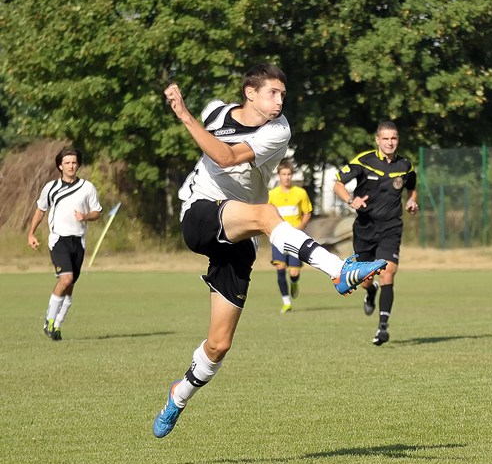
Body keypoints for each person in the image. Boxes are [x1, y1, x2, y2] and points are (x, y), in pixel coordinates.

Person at [153, 64, 387, 438]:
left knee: (219, 345)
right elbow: (217, 157)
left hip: (239, 234)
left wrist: (184, 115)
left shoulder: (278, 130)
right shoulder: (215, 111)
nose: (279, 101)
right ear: (250, 93)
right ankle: (337, 269)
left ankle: (178, 396)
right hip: (199, 213)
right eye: (272, 93)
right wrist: (185, 114)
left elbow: (227, 157)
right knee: (266, 213)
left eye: (283, 94)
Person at [333, 121, 418, 346]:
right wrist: (351, 200)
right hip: (365, 228)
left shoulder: (405, 165)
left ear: (398, 140)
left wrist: (412, 201)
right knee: (365, 280)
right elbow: (338, 184)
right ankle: (370, 292)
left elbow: (412, 187)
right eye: (386, 138)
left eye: (394, 138)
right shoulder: (364, 161)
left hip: (391, 227)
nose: (390, 142)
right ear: (377, 140)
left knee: (388, 272)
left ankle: (383, 328)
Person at [27, 148, 103, 341]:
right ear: (60, 166)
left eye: (74, 162)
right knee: (66, 279)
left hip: (78, 241)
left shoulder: (87, 187)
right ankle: (49, 320)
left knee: (70, 286)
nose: (71, 166)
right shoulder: (51, 188)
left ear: (78, 165)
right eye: (67, 163)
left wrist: (86, 216)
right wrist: (31, 233)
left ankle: (57, 326)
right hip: (59, 239)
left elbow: (97, 212)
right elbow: (40, 210)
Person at [267, 158, 313, 313]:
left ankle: (294, 282)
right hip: (278, 237)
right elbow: (267, 214)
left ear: (292, 176)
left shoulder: (300, 193)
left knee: (293, 272)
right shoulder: (272, 195)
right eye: (283, 174)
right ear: (279, 176)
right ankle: (286, 302)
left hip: (295, 237)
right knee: (280, 268)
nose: (286, 177)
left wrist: (301, 227)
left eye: (288, 174)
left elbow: (307, 212)